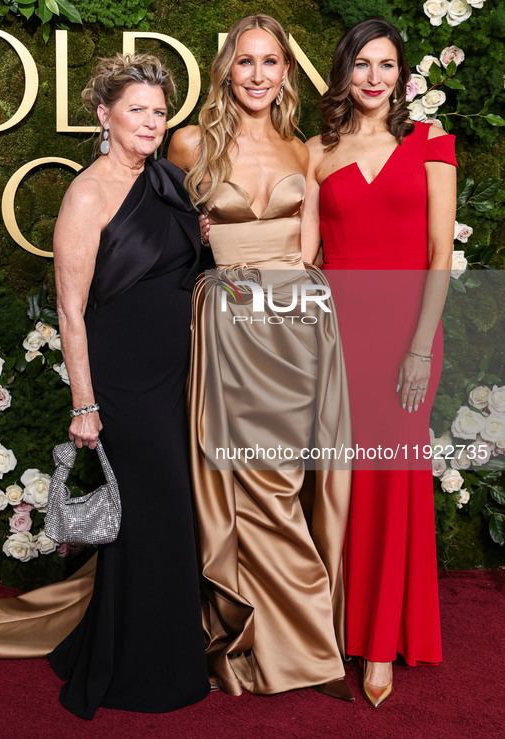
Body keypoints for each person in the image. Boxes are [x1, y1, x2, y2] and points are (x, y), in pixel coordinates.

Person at [0, 53, 210, 719]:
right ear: (103, 114)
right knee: (158, 513)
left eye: (159, 110)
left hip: (177, 371)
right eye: (137, 109)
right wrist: (85, 404)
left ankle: (136, 647)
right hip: (123, 379)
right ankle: (141, 670)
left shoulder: (169, 179)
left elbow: (187, 258)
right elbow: (70, 309)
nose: (151, 120)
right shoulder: (86, 192)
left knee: (160, 517)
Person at [168, 14, 353, 701]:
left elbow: (310, 249)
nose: (255, 75)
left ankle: (291, 640)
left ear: (284, 73)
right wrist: (199, 240)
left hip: (295, 329)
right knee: (251, 490)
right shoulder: (188, 144)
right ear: (226, 71)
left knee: (288, 482)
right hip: (228, 332)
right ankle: (295, 649)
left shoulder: (302, 150)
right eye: (243, 62)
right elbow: (160, 239)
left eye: (269, 62)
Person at [303, 18, 457, 707]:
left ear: (400, 75)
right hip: (332, 338)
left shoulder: (431, 144)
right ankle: (329, 625)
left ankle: (378, 644)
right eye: (361, 64)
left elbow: (436, 256)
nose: (373, 77)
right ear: (344, 73)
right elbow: (302, 255)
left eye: (386, 65)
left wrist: (421, 345)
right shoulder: (315, 152)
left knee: (390, 482)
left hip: (405, 334)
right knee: (339, 483)